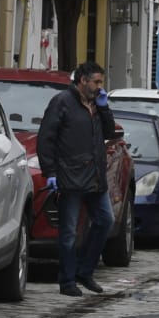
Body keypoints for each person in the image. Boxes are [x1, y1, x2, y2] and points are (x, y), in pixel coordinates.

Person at [35, 61, 116, 296]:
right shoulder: (62, 102)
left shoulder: (96, 104)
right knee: (69, 231)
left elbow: (110, 132)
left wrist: (105, 109)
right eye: (96, 82)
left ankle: (85, 271)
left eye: (101, 82)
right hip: (70, 177)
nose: (100, 87)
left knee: (105, 221)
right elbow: (46, 139)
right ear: (83, 80)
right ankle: (68, 280)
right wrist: (50, 173)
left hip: (95, 177)